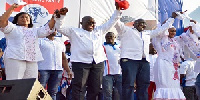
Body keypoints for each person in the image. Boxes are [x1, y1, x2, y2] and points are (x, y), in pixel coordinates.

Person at [53, 3, 121, 100]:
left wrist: (117, 11)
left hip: (97, 63)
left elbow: (111, 22)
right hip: (81, 63)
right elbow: (59, 28)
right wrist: (62, 16)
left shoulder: (99, 30)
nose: (91, 24)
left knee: (95, 88)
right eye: (89, 22)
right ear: (82, 23)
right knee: (80, 87)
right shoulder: (74, 31)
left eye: (93, 22)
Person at [114, 12, 178, 100]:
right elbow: (117, 23)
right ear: (134, 24)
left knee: (144, 85)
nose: (142, 24)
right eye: (140, 23)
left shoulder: (147, 34)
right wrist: (117, 11)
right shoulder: (126, 31)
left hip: (144, 61)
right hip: (129, 60)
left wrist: (172, 18)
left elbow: (162, 29)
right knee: (128, 84)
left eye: (144, 23)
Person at [0, 4, 55, 80]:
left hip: (32, 60)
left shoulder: (35, 30)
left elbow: (48, 28)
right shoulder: (12, 28)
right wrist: (12, 8)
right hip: (15, 58)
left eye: (26, 17)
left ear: (30, 20)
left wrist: (54, 17)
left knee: (31, 84)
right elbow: (2, 21)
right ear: (17, 20)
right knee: (14, 82)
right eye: (22, 17)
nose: (24, 18)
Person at [38, 30, 72, 100]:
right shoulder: (39, 41)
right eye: (52, 28)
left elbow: (63, 58)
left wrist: (68, 70)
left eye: (55, 29)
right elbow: (34, 56)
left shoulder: (60, 42)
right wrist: (36, 69)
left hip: (58, 71)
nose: (54, 30)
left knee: (53, 92)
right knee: (39, 92)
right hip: (43, 70)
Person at [102, 32, 122, 100]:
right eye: (108, 37)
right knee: (108, 94)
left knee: (121, 92)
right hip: (107, 73)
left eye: (111, 36)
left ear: (115, 37)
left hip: (119, 72)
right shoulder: (102, 46)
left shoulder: (119, 46)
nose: (109, 38)